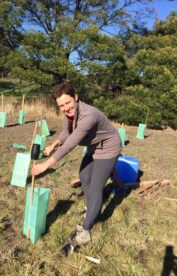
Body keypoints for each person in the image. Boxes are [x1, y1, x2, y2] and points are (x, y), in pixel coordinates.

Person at [32, 83, 121, 245]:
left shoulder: (88, 116)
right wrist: (54, 144)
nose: (66, 108)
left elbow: (70, 144)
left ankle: (86, 230)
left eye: (68, 103)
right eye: (61, 106)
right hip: (94, 147)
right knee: (84, 176)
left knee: (96, 186)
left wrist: (46, 165)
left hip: (108, 148)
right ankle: (91, 207)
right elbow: (67, 132)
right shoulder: (70, 114)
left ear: (76, 97)